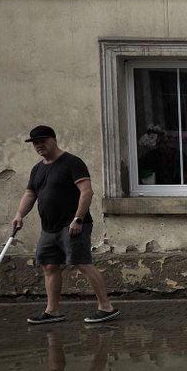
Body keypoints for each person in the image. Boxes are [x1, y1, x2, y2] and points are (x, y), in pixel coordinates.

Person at [11, 125, 119, 324]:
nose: (39, 146)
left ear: (53, 140)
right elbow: (30, 194)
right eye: (35, 143)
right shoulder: (37, 169)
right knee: (49, 266)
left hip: (73, 225)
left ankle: (106, 307)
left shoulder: (72, 162)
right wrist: (19, 214)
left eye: (42, 141)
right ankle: (52, 311)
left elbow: (87, 191)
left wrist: (78, 218)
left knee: (82, 263)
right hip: (49, 228)